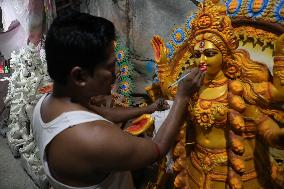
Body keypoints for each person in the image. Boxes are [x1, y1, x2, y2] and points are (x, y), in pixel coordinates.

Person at [32, 11, 204, 189]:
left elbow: (105, 114)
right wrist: (182, 97)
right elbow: (157, 148)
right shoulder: (92, 138)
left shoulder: (46, 104)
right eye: (110, 66)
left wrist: (148, 109)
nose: (115, 74)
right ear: (79, 76)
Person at [147, 0, 284, 189]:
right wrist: (162, 64)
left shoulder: (238, 88)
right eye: (197, 55)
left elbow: (263, 121)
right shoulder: (193, 86)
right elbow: (171, 91)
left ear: (225, 54)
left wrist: (276, 135)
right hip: (197, 168)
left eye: (209, 53)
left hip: (232, 171)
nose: (202, 59)